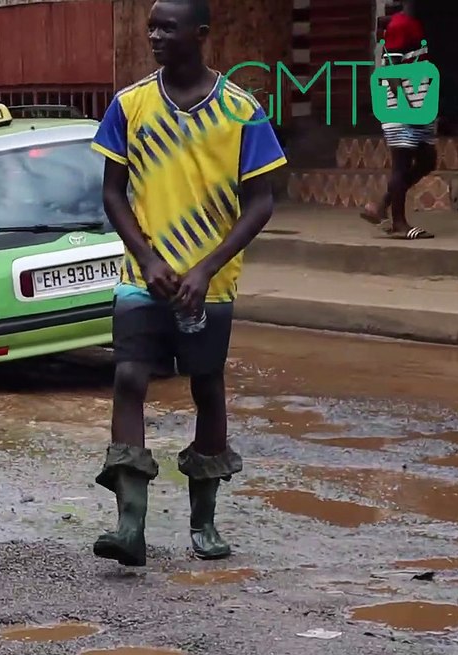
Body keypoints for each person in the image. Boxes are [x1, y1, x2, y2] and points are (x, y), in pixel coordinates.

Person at [88, 0, 286, 567]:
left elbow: (261, 202)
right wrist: (146, 258)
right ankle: (130, 525)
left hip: (211, 283)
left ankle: (204, 522)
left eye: (167, 27)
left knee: (207, 388)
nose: (154, 35)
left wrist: (206, 267)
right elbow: (112, 193)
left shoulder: (241, 111)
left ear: (199, 35)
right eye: (150, 26)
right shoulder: (129, 105)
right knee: (128, 377)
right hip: (141, 277)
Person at [360, 0, 436, 239]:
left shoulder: (410, 24)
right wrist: (407, 107)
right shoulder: (400, 25)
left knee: (427, 160)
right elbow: (392, 69)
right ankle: (399, 224)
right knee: (401, 165)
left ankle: (381, 205)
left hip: (418, 102)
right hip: (403, 105)